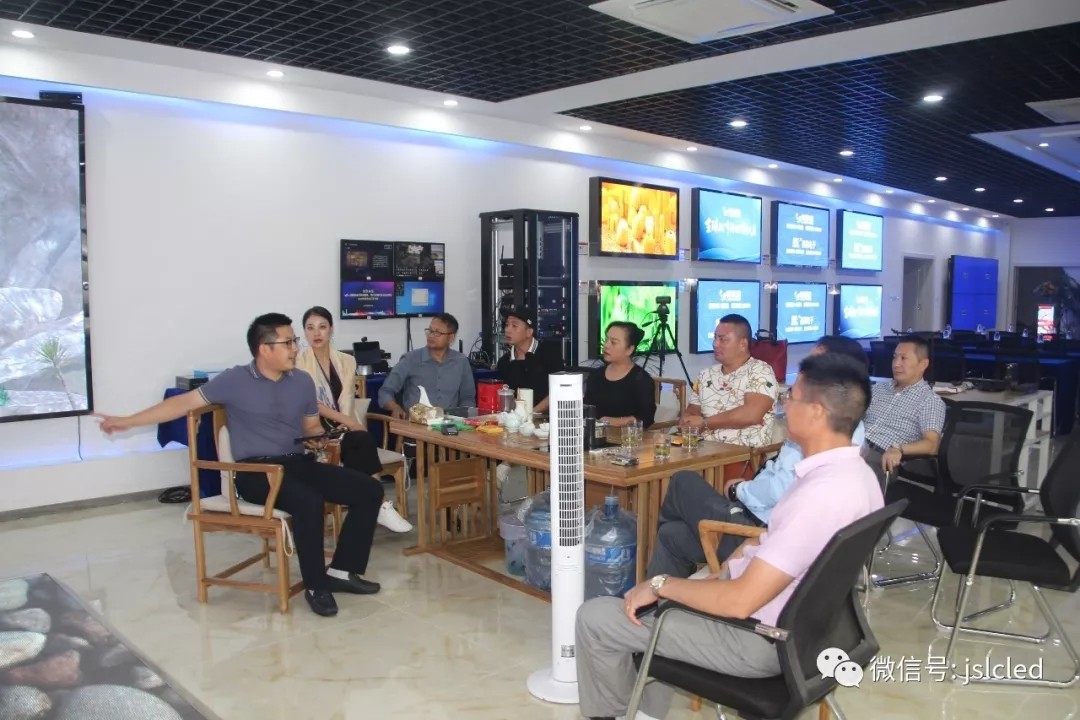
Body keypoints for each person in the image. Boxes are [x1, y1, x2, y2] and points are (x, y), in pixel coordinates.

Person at [575, 353, 883, 720]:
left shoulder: (819, 495)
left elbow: (739, 602)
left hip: (756, 638)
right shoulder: (858, 475)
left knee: (596, 617)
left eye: (792, 397)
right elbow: (781, 540)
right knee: (671, 556)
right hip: (810, 631)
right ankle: (646, 711)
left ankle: (615, 713)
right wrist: (732, 561)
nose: (783, 404)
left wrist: (660, 585)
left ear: (816, 412)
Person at [95, 313, 385, 618]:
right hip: (256, 472)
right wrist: (126, 421)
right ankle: (316, 586)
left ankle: (342, 571)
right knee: (308, 501)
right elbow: (181, 403)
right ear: (264, 349)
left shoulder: (301, 381)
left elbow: (311, 425)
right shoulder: (234, 380)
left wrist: (317, 439)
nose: (295, 349)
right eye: (288, 343)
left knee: (368, 490)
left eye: (294, 341)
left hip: (297, 463)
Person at [646, 336, 869, 580]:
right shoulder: (845, 436)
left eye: (791, 398)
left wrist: (739, 491)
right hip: (757, 520)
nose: (785, 405)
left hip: (755, 530)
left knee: (682, 481)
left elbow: (778, 491)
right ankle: (659, 598)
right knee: (671, 534)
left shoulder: (819, 439)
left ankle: (666, 589)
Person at [297, 305, 412, 533]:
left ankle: (378, 504)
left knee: (360, 440)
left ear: (331, 329)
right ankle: (379, 504)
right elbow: (311, 404)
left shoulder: (346, 361)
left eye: (322, 327)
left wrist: (345, 424)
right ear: (304, 332)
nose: (316, 333)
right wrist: (348, 422)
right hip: (311, 430)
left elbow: (347, 398)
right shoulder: (298, 363)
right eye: (310, 328)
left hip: (340, 426)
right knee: (360, 438)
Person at [681, 313, 778, 450]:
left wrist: (705, 423)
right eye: (715, 338)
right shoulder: (705, 374)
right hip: (702, 451)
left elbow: (751, 415)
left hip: (743, 455)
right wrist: (688, 421)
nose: (715, 344)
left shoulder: (760, 371)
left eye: (723, 339)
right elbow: (692, 411)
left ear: (743, 344)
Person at [862, 335, 947, 488]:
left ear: (923, 364)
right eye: (894, 357)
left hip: (881, 458)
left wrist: (899, 448)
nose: (896, 364)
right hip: (852, 447)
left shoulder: (929, 401)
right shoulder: (878, 389)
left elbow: (932, 444)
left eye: (903, 358)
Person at [378, 312, 475, 419]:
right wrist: (395, 407)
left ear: (451, 338)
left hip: (450, 423)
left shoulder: (461, 361)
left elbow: (468, 398)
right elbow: (385, 391)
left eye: (437, 332)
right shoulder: (410, 359)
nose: (431, 335)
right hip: (416, 424)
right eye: (430, 331)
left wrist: (464, 419)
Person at [584, 321, 656, 429]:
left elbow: (646, 418)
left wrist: (615, 421)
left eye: (613, 342)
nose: (606, 345)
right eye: (606, 340)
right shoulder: (596, 375)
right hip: (595, 435)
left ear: (630, 349)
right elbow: (587, 408)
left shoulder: (641, 380)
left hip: (626, 437)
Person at [495, 308, 565, 414]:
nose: (507, 330)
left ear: (529, 332)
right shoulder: (504, 362)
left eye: (514, 326)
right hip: (515, 418)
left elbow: (559, 389)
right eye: (507, 325)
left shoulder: (549, 353)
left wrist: (531, 413)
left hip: (547, 417)